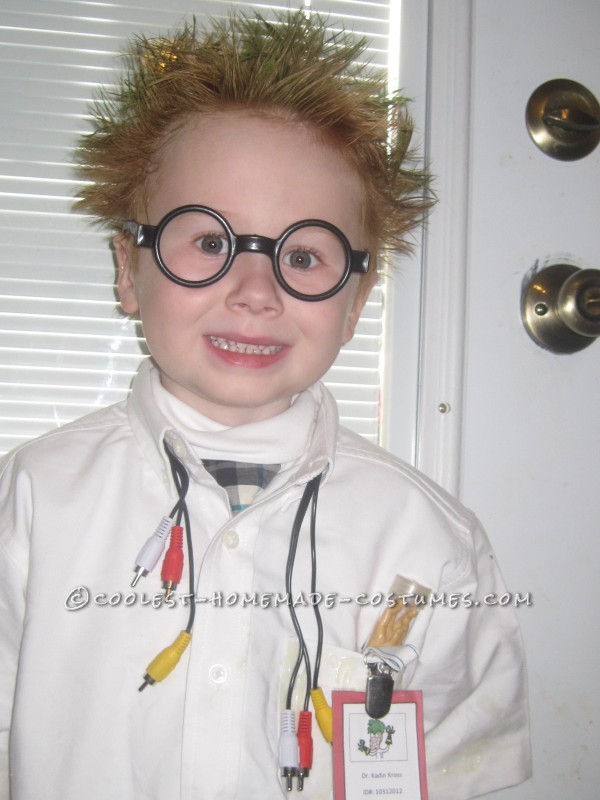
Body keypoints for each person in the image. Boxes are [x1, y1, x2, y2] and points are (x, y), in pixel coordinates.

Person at [0, 10, 531, 800]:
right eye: (210, 242)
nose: (256, 291)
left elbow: (469, 767)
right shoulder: (33, 500)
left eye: (305, 255)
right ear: (127, 272)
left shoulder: (427, 542)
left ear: (355, 303)